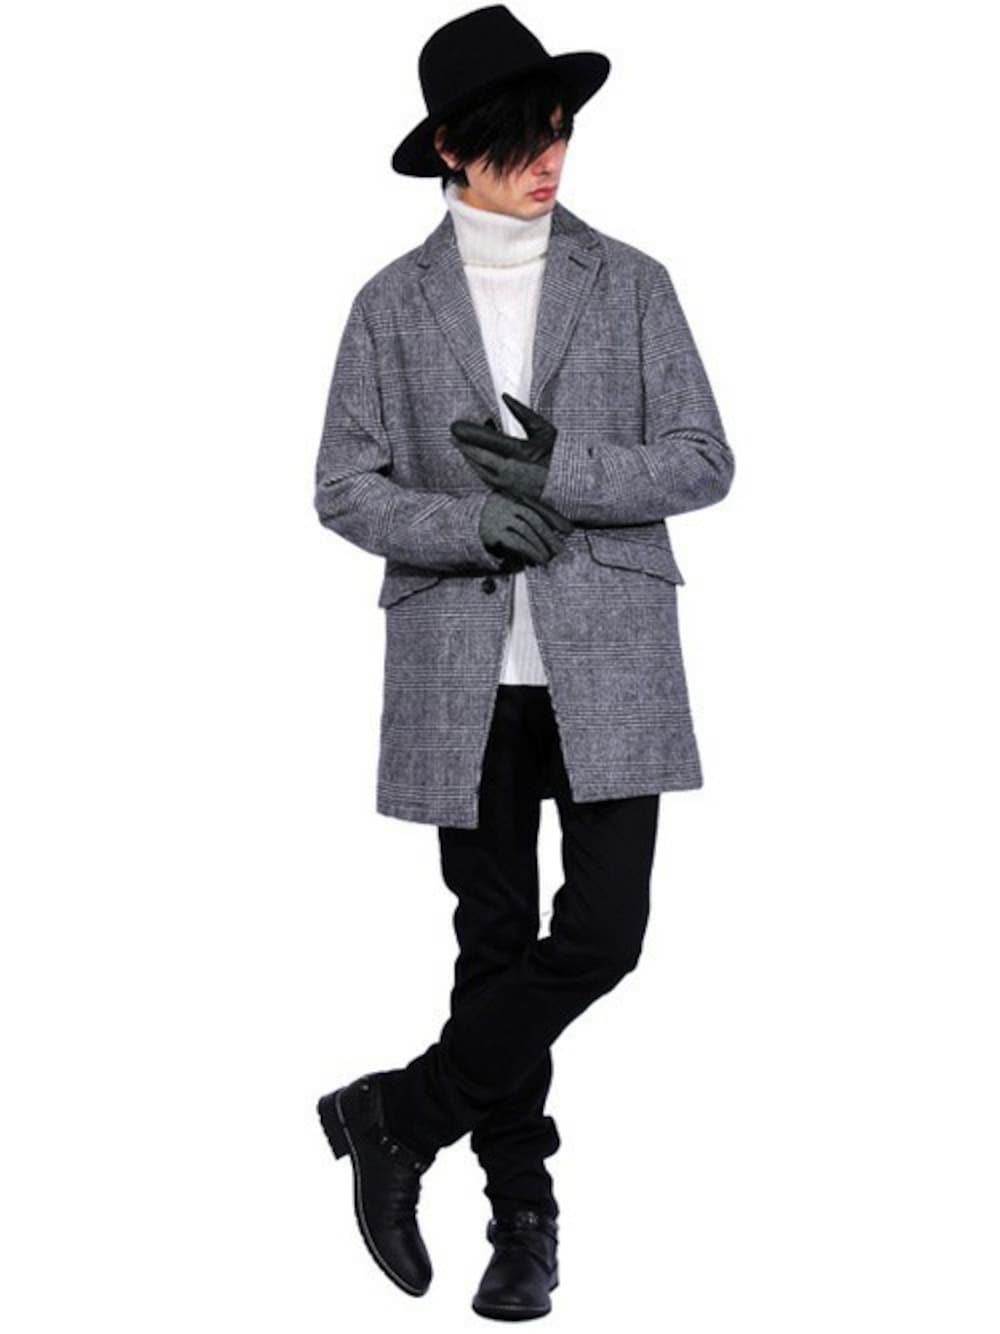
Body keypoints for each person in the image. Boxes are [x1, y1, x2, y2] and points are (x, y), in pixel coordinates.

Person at [313, 5, 735, 1319]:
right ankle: (524, 1222)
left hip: (610, 660)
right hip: (463, 674)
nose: (551, 157)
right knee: (492, 949)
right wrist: (467, 523)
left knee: (603, 936)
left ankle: (402, 1112)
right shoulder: (391, 306)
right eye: (519, 138)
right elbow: (342, 485)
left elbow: (703, 460)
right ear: (451, 147)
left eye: (560, 131)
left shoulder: (633, 282)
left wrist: (564, 475)